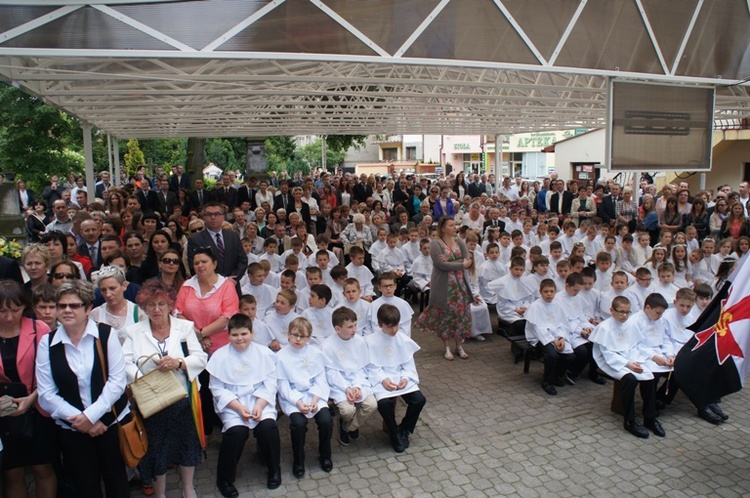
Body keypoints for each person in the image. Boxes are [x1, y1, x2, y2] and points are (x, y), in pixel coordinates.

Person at [36, 281, 130, 497]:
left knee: (117, 482)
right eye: (62, 306)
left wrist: (91, 416)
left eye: (74, 305)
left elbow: (116, 382)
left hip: (110, 424)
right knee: (85, 485)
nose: (67, 310)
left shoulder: (106, 335)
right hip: (73, 429)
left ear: (88, 309)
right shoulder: (47, 343)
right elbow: (46, 394)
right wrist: (83, 421)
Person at [122, 280, 207, 498]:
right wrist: (143, 379)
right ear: (144, 307)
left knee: (186, 445)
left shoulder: (185, 327)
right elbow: (124, 362)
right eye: (151, 305)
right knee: (157, 448)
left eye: (161, 304)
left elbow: (200, 358)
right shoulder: (133, 331)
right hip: (150, 401)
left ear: (170, 305)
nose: (157, 310)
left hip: (181, 397)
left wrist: (178, 362)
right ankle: (160, 493)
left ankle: (188, 487)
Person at [208, 313, 281, 495]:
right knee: (236, 433)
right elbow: (217, 389)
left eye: (244, 334)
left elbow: (271, 383)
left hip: (260, 402)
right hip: (234, 405)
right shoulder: (220, 356)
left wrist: (260, 405)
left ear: (252, 333)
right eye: (235, 335)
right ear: (228, 335)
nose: (240, 338)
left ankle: (274, 469)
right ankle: (224, 479)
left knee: (268, 428)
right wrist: (239, 408)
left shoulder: (264, 354)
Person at [0, 280, 57, 498]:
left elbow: (51, 373)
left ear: (25, 306)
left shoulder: (38, 328)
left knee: (42, 467)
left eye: (14, 310)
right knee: (12, 473)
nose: (8, 317)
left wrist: (31, 398)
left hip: (37, 407)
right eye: (2, 311)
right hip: (5, 411)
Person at [176, 247, 239, 436]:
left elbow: (228, 316)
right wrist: (198, 336)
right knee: (201, 388)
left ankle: (227, 422)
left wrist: (203, 334)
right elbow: (178, 313)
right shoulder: (187, 286)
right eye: (196, 263)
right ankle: (206, 428)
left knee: (220, 385)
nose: (200, 266)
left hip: (220, 346)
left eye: (204, 261)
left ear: (214, 263)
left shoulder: (226, 285)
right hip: (193, 346)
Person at [590, 296, 664, 439]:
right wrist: (627, 364)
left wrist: (635, 361)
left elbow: (635, 345)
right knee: (629, 380)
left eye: (627, 312)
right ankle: (629, 420)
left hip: (631, 358)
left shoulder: (631, 324)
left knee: (649, 378)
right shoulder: (605, 328)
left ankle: (650, 418)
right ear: (612, 310)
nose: (624, 315)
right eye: (621, 312)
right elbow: (607, 353)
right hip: (612, 362)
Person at [413, 217, 478, 360]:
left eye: (455, 225)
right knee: (446, 316)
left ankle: (459, 346)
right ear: (443, 228)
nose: (455, 228)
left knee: (460, 315)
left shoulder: (460, 241)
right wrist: (460, 264)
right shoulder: (436, 243)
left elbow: (467, 260)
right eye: (451, 225)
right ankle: (447, 347)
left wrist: (452, 262)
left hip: (460, 285)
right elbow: (440, 265)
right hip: (445, 286)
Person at [276, 317, 333, 478]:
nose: (298, 339)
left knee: (326, 420)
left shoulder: (315, 353)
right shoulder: (281, 356)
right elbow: (283, 386)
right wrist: (298, 403)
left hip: (314, 395)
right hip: (293, 399)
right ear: (288, 334)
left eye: (302, 336)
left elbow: (320, 379)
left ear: (309, 338)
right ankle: (298, 460)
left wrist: (315, 400)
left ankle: (325, 455)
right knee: (298, 424)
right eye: (295, 335)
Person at [367, 304, 426, 453]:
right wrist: (383, 380)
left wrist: (405, 378)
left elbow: (408, 363)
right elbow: (371, 366)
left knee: (419, 400)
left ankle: (404, 429)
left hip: (400, 379)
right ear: (380, 325)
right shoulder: (370, 341)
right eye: (389, 326)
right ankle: (394, 432)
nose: (394, 330)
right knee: (384, 403)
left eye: (396, 325)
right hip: (382, 381)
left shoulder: (402, 339)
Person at [322, 307, 377, 446]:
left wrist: (357, 386)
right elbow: (330, 372)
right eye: (350, 326)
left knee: (371, 405)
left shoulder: (359, 341)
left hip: (358, 381)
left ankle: (348, 427)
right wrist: (346, 388)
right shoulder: (328, 345)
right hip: (339, 385)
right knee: (347, 410)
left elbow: (363, 366)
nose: (354, 329)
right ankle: (346, 420)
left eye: (355, 325)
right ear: (337, 329)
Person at [524, 279, 576, 395]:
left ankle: (556, 376)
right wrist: (553, 340)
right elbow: (537, 329)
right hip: (540, 338)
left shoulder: (557, 304)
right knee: (552, 355)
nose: (549, 294)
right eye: (546, 291)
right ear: (540, 292)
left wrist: (562, 337)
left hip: (556, 336)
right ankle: (547, 381)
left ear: (555, 292)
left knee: (570, 356)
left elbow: (563, 323)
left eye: (551, 291)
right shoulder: (535, 307)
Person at [187, 203, 248, 280]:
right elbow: (194, 267)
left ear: (223, 216)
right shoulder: (195, 240)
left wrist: (233, 279)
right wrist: (219, 281)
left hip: (233, 284)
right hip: (210, 286)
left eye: (217, 214)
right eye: (209, 214)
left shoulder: (233, 236)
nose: (213, 217)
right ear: (204, 217)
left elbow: (243, 261)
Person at [89, 266, 145, 343]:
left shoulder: (138, 313)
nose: (108, 294)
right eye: (103, 290)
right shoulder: (95, 314)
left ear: (124, 286)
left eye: (112, 288)